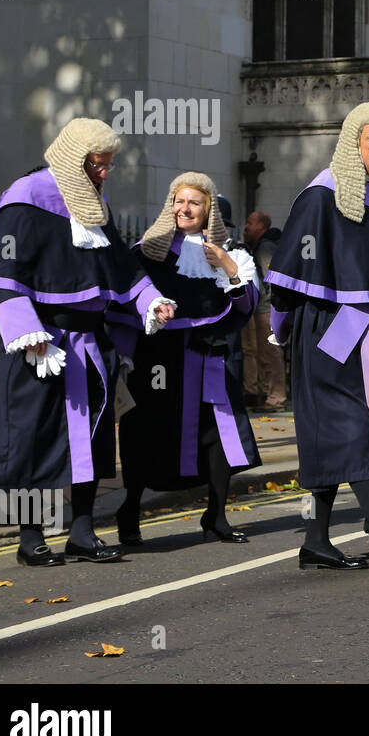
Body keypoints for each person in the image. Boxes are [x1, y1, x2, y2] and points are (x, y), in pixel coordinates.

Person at [0, 119, 176, 566]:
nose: (103, 175)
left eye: (107, 167)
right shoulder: (23, 200)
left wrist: (151, 301)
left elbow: (122, 267)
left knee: (92, 439)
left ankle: (81, 531)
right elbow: (1, 277)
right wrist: (28, 335)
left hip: (87, 342)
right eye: (98, 166)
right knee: (30, 438)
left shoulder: (96, 206)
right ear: (73, 160)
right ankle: (30, 537)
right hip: (36, 342)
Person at [266, 101, 369, 581]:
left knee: (335, 429)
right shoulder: (321, 196)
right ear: (352, 144)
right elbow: (286, 277)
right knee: (354, 425)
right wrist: (281, 328)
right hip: (332, 328)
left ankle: (317, 540)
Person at [114, 173, 262, 546]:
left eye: (194, 202)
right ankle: (130, 508)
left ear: (209, 209)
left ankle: (216, 516)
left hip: (211, 356)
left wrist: (228, 267)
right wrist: (124, 356)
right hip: (158, 359)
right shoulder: (146, 251)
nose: (185, 209)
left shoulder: (233, 254)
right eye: (179, 201)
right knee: (144, 434)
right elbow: (125, 302)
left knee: (218, 436)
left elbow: (247, 306)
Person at [241, 210, 286, 410]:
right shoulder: (261, 246)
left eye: (250, 223)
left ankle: (275, 398)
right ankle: (268, 395)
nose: (246, 227)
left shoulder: (265, 247)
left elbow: (271, 278)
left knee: (270, 353)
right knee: (263, 353)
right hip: (264, 308)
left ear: (261, 226)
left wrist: (270, 306)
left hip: (267, 309)